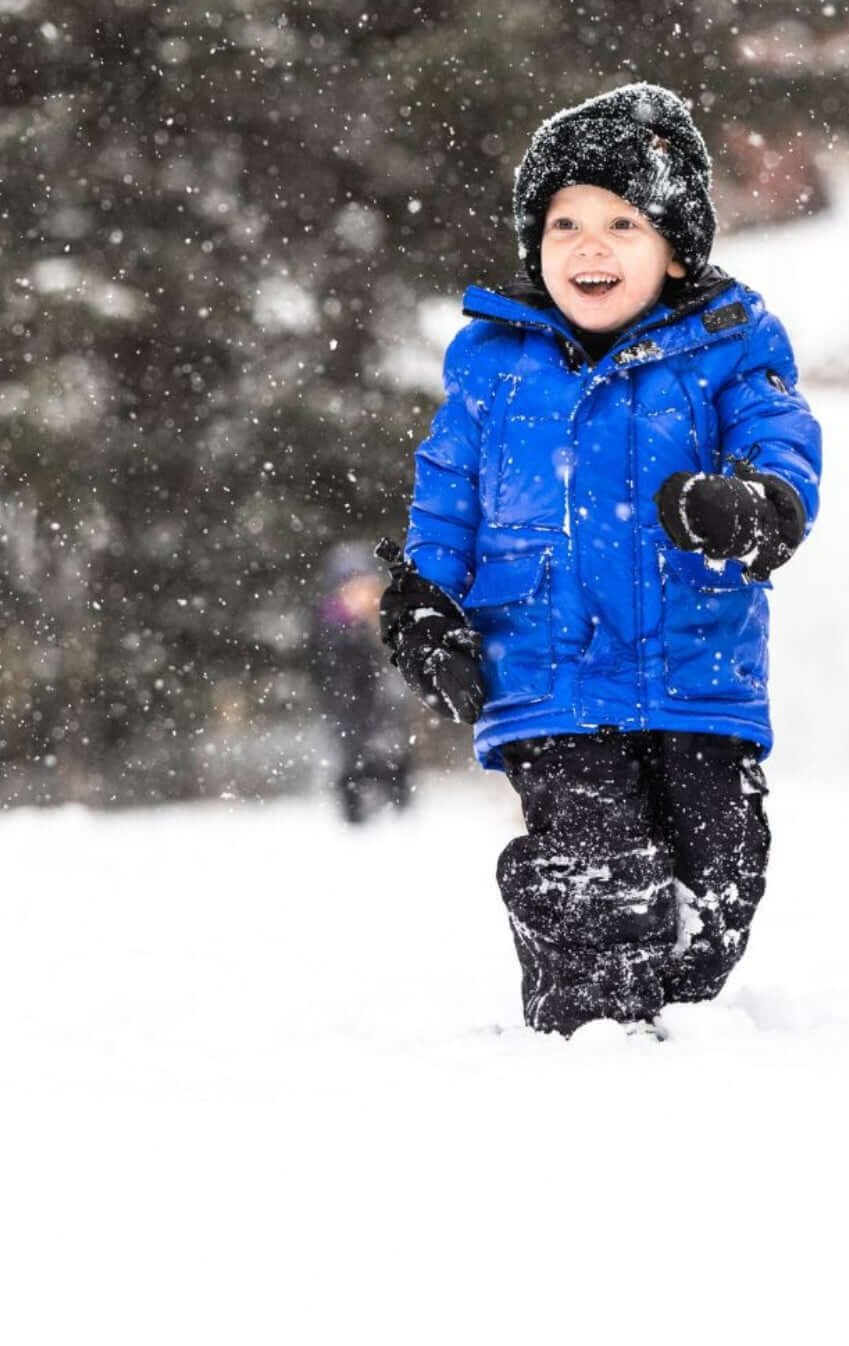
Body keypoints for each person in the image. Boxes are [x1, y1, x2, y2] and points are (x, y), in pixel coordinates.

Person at [379, 83, 822, 1033]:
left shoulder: (731, 345)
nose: (589, 245)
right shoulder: (492, 362)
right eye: (563, 221)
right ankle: (586, 1031)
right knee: (598, 873)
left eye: (623, 222)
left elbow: (780, 443)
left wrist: (750, 508)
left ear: (677, 245)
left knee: (720, 883)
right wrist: (424, 597)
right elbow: (448, 489)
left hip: (696, 666)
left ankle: (672, 1019)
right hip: (548, 670)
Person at [311, 540, 414, 824]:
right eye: (357, 587)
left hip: (386, 736)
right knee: (359, 780)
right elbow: (341, 691)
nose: (366, 594)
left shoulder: (382, 624)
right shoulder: (336, 634)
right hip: (357, 735)